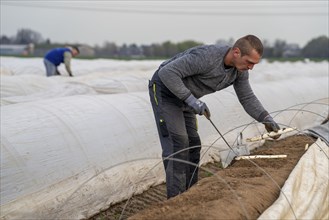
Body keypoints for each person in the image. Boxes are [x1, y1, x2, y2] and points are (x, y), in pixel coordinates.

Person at [148, 35, 280, 199]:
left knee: (194, 144)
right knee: (179, 143)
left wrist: (266, 118)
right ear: (237, 52)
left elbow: (247, 98)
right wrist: (191, 100)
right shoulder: (207, 57)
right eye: (249, 62)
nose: (251, 67)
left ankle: (190, 195)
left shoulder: (239, 71)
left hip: (188, 99)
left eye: (254, 64)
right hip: (165, 92)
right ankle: (175, 199)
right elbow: (167, 73)